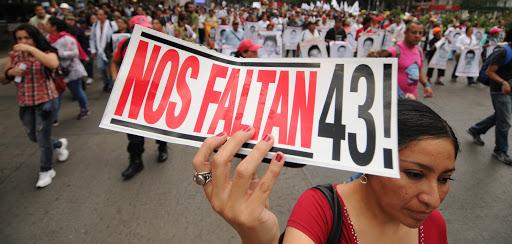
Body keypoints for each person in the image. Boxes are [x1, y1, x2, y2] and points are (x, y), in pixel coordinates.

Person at [192, 99, 459, 243]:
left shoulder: (435, 225)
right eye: (415, 174)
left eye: (445, 179)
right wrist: (257, 238)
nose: (433, 199)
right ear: (370, 160)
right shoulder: (320, 210)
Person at [1, 24, 69, 188]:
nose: (23, 41)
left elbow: (53, 64)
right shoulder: (14, 55)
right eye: (19, 38)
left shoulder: (46, 51)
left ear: (34, 38)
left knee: (42, 138)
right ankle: (59, 145)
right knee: (33, 136)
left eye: (27, 38)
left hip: (46, 101)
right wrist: (10, 73)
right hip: (25, 103)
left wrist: (31, 50)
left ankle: (46, 171)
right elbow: (2, 79)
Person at [110, 17, 169, 180]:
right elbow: (114, 62)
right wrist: (115, 77)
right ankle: (135, 160)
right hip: (131, 94)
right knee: (133, 130)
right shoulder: (124, 44)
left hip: (155, 93)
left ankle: (162, 147)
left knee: (158, 124)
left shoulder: (160, 44)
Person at [467, 29, 512, 165]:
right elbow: (490, 72)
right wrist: (503, 82)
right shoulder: (503, 52)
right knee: (505, 121)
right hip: (499, 91)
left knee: (500, 116)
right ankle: (500, 150)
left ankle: (476, 130)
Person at [46, 17, 90, 121]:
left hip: (72, 70)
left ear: (54, 27)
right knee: (57, 94)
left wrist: (57, 54)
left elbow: (75, 53)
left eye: (48, 24)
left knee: (77, 91)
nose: (46, 26)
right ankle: (54, 117)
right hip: (57, 71)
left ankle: (84, 109)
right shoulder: (48, 38)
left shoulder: (67, 38)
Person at [388, 21, 433, 99]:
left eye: (420, 33)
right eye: (414, 32)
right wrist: (402, 95)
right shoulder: (394, 51)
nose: (417, 36)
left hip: (412, 99)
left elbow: (419, 71)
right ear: (405, 33)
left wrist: (426, 85)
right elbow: (385, 77)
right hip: (394, 100)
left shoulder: (419, 50)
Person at [90, 9, 117, 92]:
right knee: (101, 68)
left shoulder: (111, 24)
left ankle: (111, 85)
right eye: (98, 14)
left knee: (110, 68)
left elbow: (116, 36)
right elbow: (92, 39)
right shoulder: (95, 25)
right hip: (99, 50)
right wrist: (93, 50)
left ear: (105, 15)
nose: (99, 16)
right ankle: (106, 82)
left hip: (109, 50)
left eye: (101, 14)